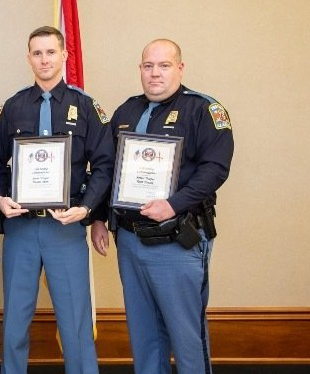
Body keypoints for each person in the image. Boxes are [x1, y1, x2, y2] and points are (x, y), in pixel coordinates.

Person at [90, 39, 234, 374]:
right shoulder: (126, 111)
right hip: (129, 240)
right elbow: (107, 169)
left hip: (176, 242)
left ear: (180, 68)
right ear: (140, 69)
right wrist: (99, 218)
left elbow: (215, 168)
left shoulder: (204, 111)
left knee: (186, 338)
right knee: (144, 337)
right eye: (148, 66)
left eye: (164, 66)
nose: (155, 74)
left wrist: (173, 204)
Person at [0, 26, 113, 374]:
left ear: (64, 56)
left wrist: (87, 207)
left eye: (50, 52)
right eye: (37, 53)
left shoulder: (86, 107)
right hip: (22, 229)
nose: (44, 59)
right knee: (15, 321)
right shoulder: (12, 107)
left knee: (74, 322)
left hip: (65, 227)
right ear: (28, 57)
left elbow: (105, 164)